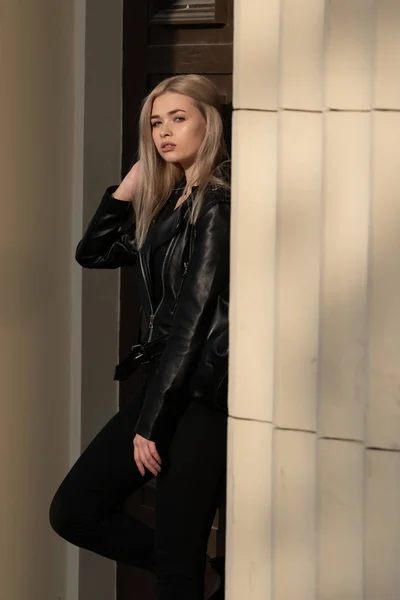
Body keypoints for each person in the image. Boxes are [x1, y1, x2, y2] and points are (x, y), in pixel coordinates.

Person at [49, 74, 230, 600]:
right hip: (162, 383)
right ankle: (216, 573)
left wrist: (151, 422)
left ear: (209, 122)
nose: (164, 132)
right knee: (74, 511)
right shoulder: (173, 204)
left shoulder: (216, 206)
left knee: (176, 569)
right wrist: (127, 189)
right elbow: (95, 253)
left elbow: (192, 324)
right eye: (155, 122)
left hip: (197, 395)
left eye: (179, 118)